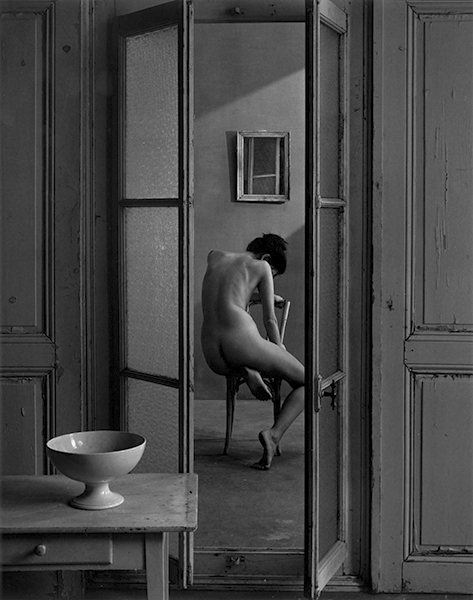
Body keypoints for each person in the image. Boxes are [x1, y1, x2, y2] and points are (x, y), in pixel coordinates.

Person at [201, 233, 305, 470]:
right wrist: (279, 349)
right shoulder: (262, 267)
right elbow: (270, 320)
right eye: (273, 276)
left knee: (237, 358)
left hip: (212, 354)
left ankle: (246, 369)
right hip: (241, 341)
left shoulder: (214, 257)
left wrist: (262, 294)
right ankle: (274, 435)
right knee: (309, 382)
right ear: (266, 258)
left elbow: (229, 292)